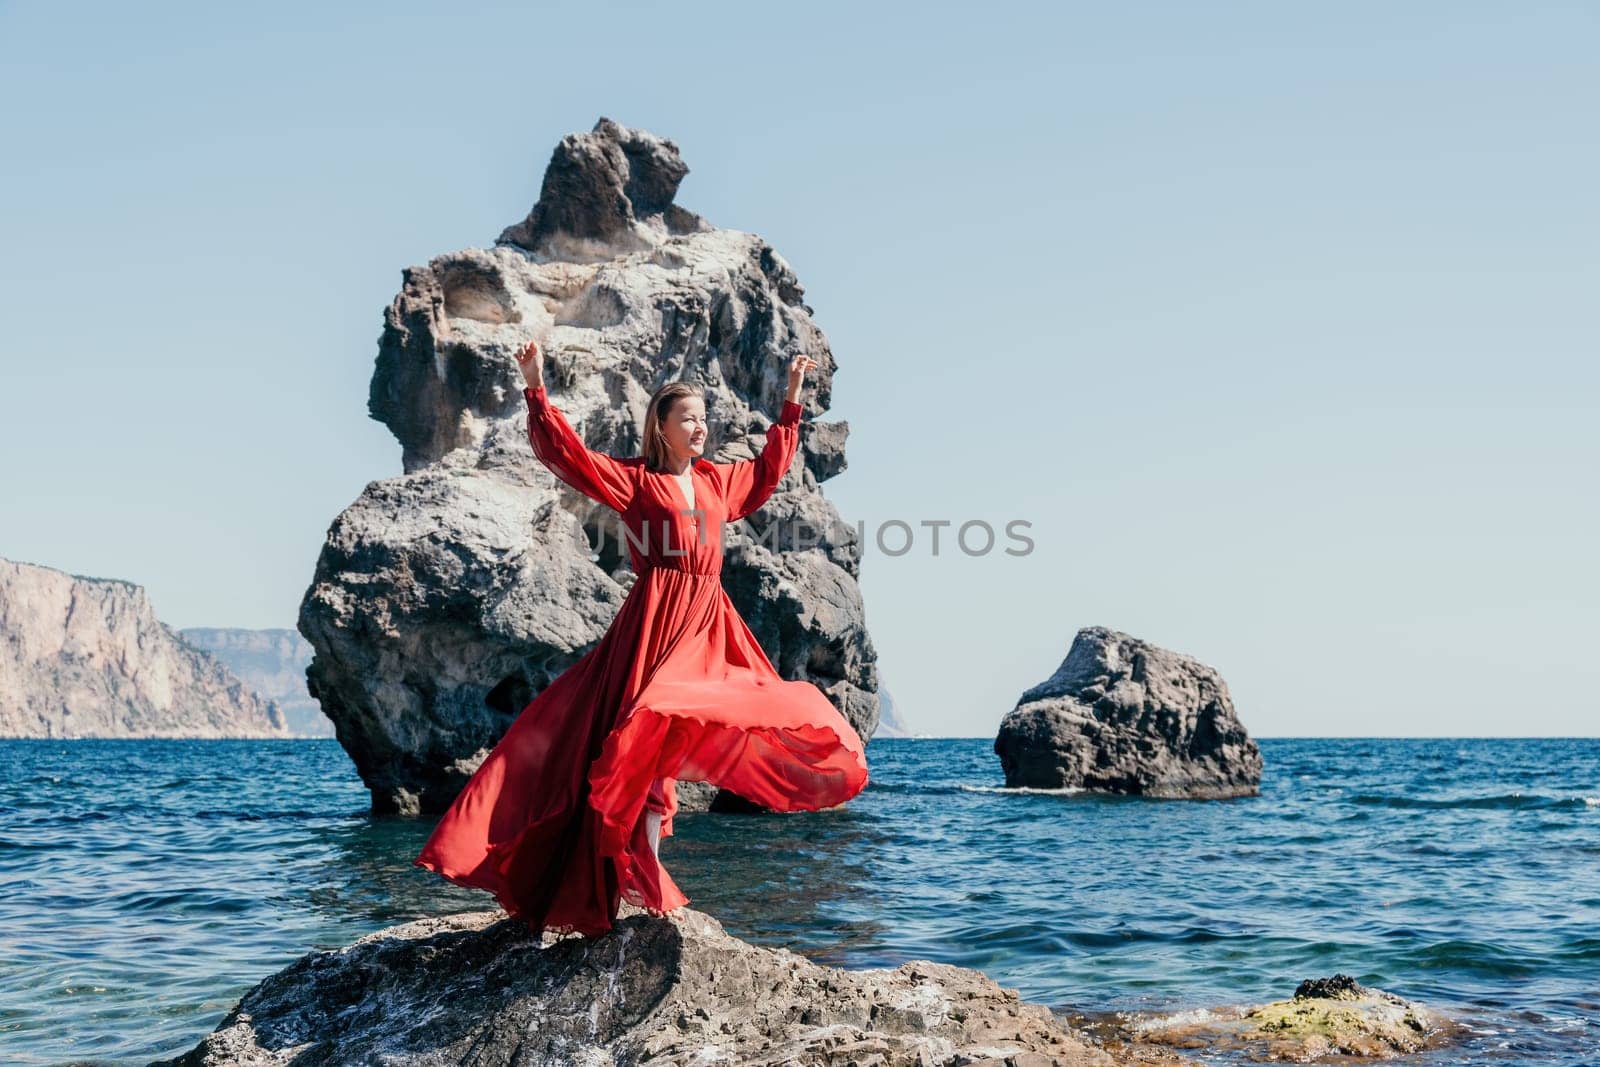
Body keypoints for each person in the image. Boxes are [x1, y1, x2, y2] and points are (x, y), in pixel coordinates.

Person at [412, 336, 871, 939]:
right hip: (654, 617)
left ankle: (649, 858)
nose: (701, 428)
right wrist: (536, 390)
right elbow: (570, 456)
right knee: (641, 730)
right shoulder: (635, 480)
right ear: (662, 426)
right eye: (690, 419)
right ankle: (635, 864)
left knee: (687, 725)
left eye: (705, 419)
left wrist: (790, 402)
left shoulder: (714, 484)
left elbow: (766, 471)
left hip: (707, 617)